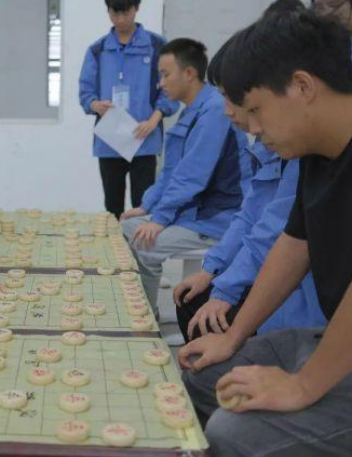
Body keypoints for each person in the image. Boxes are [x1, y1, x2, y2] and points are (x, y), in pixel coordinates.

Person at [180, 11, 352, 456]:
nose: (252, 128)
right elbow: (294, 243)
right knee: (202, 373)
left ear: (302, 86)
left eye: (255, 109)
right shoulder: (316, 153)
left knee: (233, 430)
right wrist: (232, 336)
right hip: (329, 336)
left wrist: (303, 385)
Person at [174, 8, 325, 344]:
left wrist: (225, 289)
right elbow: (251, 216)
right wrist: (213, 269)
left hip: (298, 303)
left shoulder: (302, 147)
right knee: (193, 303)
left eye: (237, 100)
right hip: (266, 269)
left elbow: (275, 232)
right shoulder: (268, 142)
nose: (229, 110)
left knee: (205, 320)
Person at [121, 38, 250, 316]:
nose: (161, 83)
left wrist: (159, 219)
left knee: (143, 244)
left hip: (218, 218)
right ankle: (140, 308)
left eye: (165, 74)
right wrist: (147, 206)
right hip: (195, 213)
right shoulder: (191, 111)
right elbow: (171, 172)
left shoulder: (214, 109)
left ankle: (144, 319)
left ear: (189, 73)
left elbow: (193, 176)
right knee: (126, 227)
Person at [79, 0, 179, 218]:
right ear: (108, 10)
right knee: (112, 208)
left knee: (142, 208)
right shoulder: (97, 50)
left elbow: (172, 90)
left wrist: (154, 119)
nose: (121, 19)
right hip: (110, 140)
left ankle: (137, 243)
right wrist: (95, 105)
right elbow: (85, 93)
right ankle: (114, 241)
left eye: (126, 12)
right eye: (115, 13)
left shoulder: (158, 46)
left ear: (136, 8)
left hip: (144, 140)